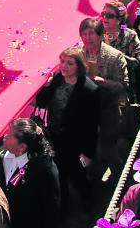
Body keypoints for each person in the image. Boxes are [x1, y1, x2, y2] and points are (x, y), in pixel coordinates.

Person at [35, 47, 100, 210]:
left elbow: (92, 125)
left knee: (76, 174)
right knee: (59, 174)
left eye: (70, 63)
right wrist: (47, 85)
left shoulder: (89, 90)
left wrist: (88, 153)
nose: (64, 66)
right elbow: (42, 101)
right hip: (54, 136)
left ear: (79, 66)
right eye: (62, 62)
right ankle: (63, 206)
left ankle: (89, 202)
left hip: (73, 141)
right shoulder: (58, 79)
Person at [0, 118, 60, 228]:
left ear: (22, 147)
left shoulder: (44, 170)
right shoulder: (0, 151)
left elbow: (51, 209)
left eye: (10, 135)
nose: (5, 136)